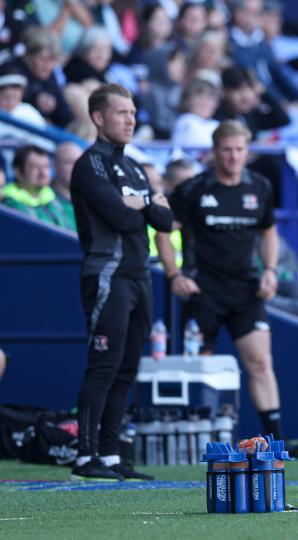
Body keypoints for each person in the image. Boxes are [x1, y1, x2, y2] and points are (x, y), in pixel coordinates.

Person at [155, 120, 298, 458]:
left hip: (246, 290)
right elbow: (164, 232)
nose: (233, 157)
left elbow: (268, 233)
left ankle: (276, 441)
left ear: (247, 151)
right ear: (214, 151)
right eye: (226, 150)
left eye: (239, 150)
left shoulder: (259, 187)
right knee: (199, 366)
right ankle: (195, 442)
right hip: (202, 290)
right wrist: (174, 274)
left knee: (260, 362)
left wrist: (270, 270)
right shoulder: (192, 189)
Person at [70, 83, 173, 481]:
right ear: (98, 118)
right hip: (108, 274)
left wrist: (140, 203)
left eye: (132, 113)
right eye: (121, 113)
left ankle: (111, 454)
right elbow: (120, 217)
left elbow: (165, 220)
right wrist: (144, 204)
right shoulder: (90, 164)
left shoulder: (133, 168)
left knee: (128, 368)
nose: (131, 120)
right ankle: (85, 456)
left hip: (139, 275)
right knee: (103, 367)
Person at [2, 144, 74, 230]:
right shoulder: (8, 204)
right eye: (35, 167)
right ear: (18, 172)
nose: (43, 173)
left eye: (46, 166)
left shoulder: (54, 200)